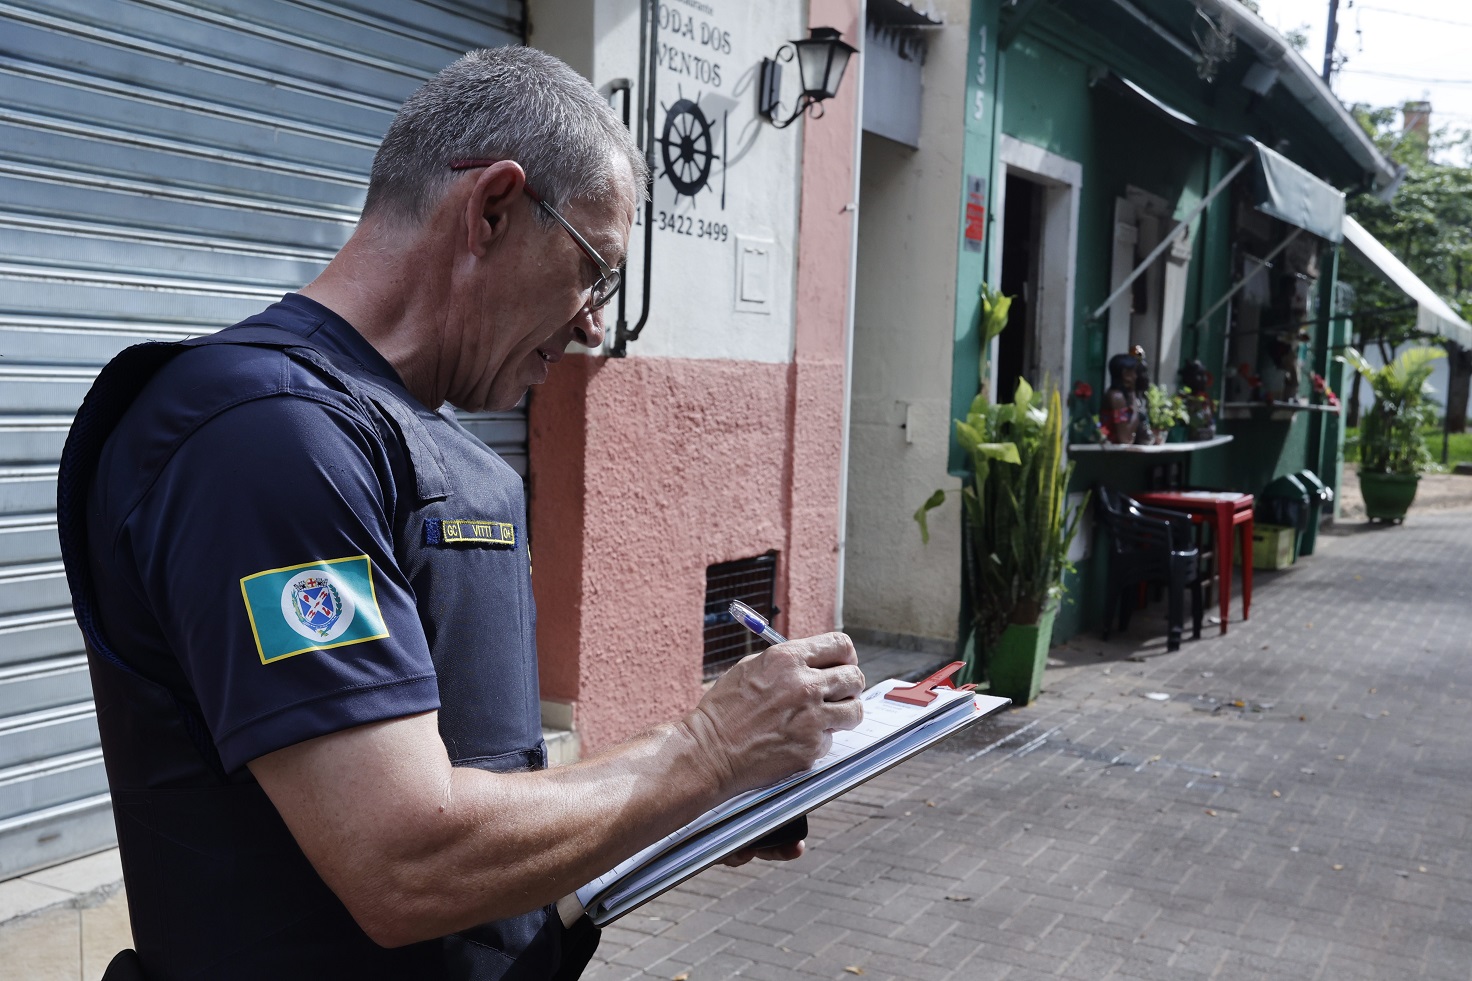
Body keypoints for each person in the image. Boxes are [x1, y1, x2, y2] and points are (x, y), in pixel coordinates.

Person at [58, 47, 864, 981]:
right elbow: (405, 860)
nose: (594, 323)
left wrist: (667, 812)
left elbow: (468, 808)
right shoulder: (265, 442)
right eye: (592, 270)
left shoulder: (388, 439)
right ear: (491, 210)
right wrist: (708, 750)